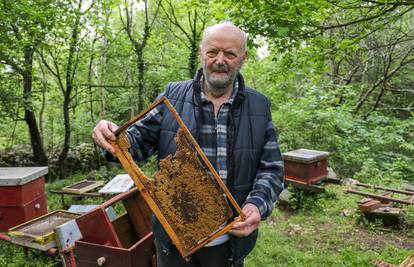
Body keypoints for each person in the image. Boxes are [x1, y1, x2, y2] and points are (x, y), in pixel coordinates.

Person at [92, 21, 284, 267]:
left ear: (243, 58)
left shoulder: (258, 106)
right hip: (172, 239)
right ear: (201, 53)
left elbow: (272, 168)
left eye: (230, 53)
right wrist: (111, 136)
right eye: (213, 52)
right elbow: (135, 143)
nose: (220, 60)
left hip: (229, 241)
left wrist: (257, 205)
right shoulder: (172, 96)